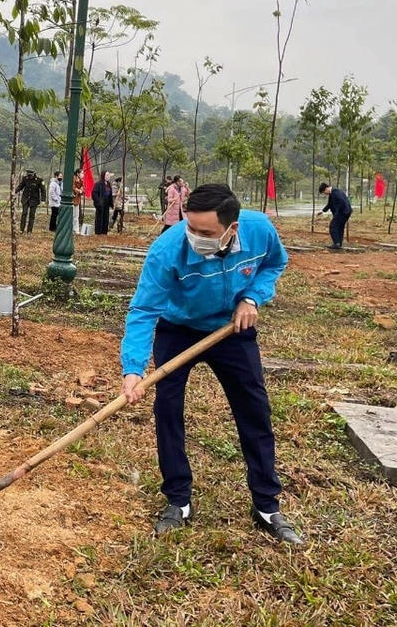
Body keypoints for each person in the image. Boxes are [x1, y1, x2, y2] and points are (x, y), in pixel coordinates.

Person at [120, 183, 301, 544]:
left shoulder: (259, 230)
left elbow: (275, 263)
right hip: (178, 330)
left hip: (231, 330)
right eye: (191, 228)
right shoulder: (168, 249)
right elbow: (143, 310)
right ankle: (178, 500)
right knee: (168, 409)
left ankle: (266, 504)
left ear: (231, 229)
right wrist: (133, 369)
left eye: (205, 233)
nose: (195, 238)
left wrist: (251, 298)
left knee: (254, 410)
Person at [319, 182, 352, 250]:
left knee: (333, 226)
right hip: (346, 211)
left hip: (342, 212)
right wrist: (323, 211)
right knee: (340, 227)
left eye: (324, 192)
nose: (325, 194)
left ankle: (336, 243)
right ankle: (339, 244)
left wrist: (337, 213)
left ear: (326, 188)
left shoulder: (336, 193)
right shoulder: (333, 192)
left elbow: (342, 202)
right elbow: (330, 204)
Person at [15, 168, 44, 234]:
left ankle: (29, 231)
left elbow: (43, 190)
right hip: (25, 199)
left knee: (32, 215)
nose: (29, 177)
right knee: (24, 214)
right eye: (28, 175)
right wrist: (14, 192)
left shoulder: (39, 180)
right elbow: (20, 186)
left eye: (30, 175)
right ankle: (21, 230)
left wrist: (43, 200)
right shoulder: (25, 178)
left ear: (34, 174)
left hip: (34, 200)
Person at [92, 170, 114, 235]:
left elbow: (110, 194)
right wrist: (98, 202)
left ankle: (104, 232)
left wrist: (111, 203)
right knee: (99, 218)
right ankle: (98, 232)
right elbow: (94, 193)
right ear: (103, 175)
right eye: (107, 175)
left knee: (106, 218)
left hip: (107, 203)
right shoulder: (98, 184)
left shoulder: (109, 184)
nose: (108, 176)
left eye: (108, 175)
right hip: (100, 204)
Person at [71, 167, 84, 234]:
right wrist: (78, 190)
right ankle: (72, 229)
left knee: (76, 215)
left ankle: (76, 229)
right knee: (73, 215)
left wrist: (81, 190)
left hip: (77, 199)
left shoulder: (81, 180)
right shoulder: (73, 178)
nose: (83, 174)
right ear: (78, 173)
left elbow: (83, 188)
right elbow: (72, 187)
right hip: (73, 199)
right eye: (82, 173)